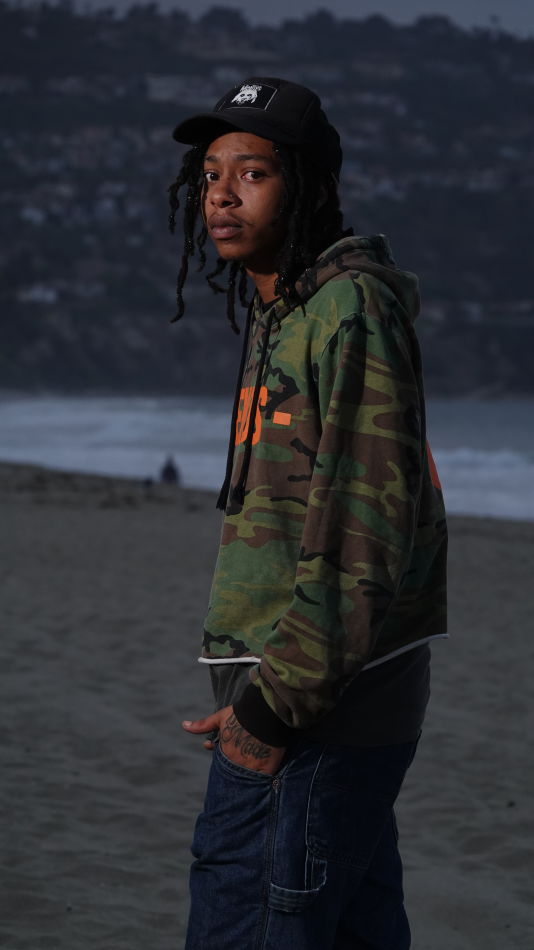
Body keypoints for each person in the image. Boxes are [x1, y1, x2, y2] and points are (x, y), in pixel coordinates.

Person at [169, 77, 447, 949]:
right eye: (211, 174)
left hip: (314, 715)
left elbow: (368, 531)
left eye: (252, 173)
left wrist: (270, 713)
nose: (222, 194)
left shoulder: (347, 311)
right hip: (301, 696)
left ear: (309, 185)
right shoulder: (285, 311)